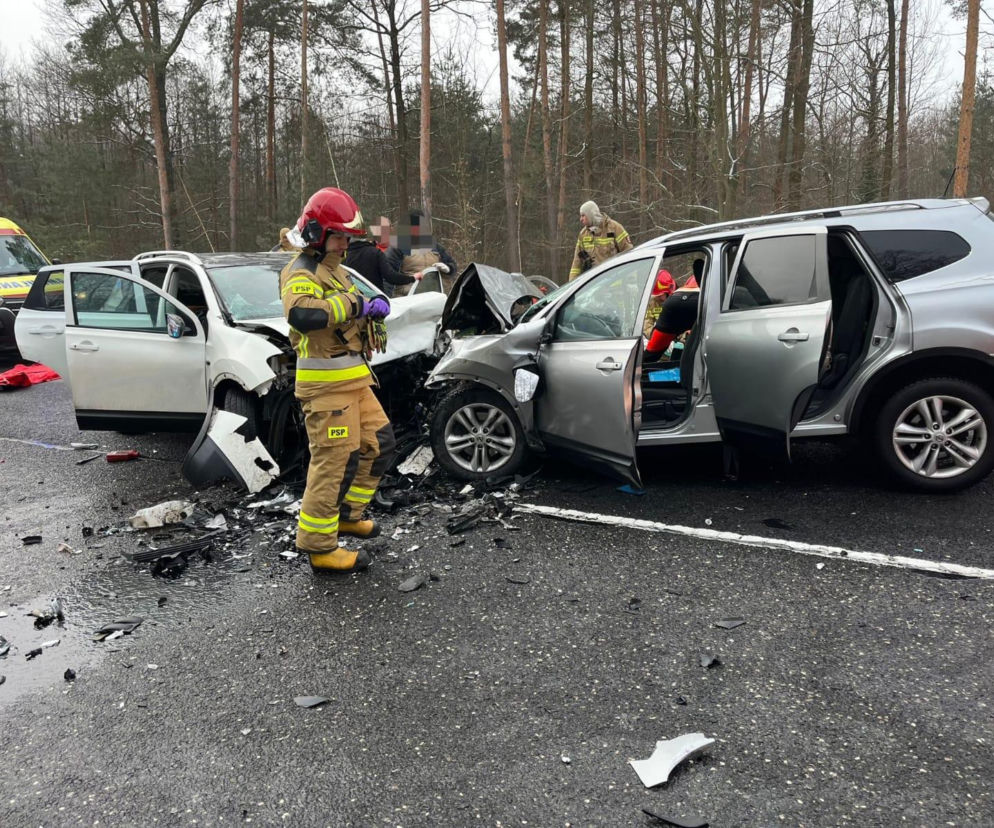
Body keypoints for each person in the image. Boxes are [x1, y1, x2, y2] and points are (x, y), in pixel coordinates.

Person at [279, 187, 396, 575]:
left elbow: (357, 302)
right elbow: (304, 316)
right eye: (340, 236)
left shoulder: (336, 267)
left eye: (348, 237)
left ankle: (347, 515)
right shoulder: (301, 271)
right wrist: (357, 304)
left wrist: (373, 307)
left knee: (379, 444)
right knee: (334, 463)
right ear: (317, 233)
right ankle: (320, 546)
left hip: (355, 380)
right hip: (327, 388)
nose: (346, 244)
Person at [645, 258, 705, 361]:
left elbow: (685, 326)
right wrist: (654, 335)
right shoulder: (652, 303)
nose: (659, 298)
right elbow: (646, 325)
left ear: (669, 291)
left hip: (679, 345)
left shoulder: (682, 300)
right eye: (657, 296)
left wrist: (679, 338)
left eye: (661, 295)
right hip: (659, 344)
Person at [385, 210, 457, 288]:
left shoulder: (435, 246)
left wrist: (449, 268)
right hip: (408, 297)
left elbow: (452, 265)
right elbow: (388, 276)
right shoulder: (397, 247)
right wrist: (387, 299)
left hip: (434, 295)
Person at [567, 200, 633, 281]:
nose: (581, 219)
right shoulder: (583, 235)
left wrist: (630, 283)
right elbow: (577, 263)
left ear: (591, 214)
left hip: (616, 285)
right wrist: (572, 285)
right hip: (596, 285)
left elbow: (629, 254)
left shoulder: (615, 228)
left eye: (583, 215)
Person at [344, 229, 415, 294]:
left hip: (356, 298)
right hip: (377, 299)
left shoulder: (344, 256)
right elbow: (390, 276)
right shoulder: (376, 253)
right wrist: (412, 278)